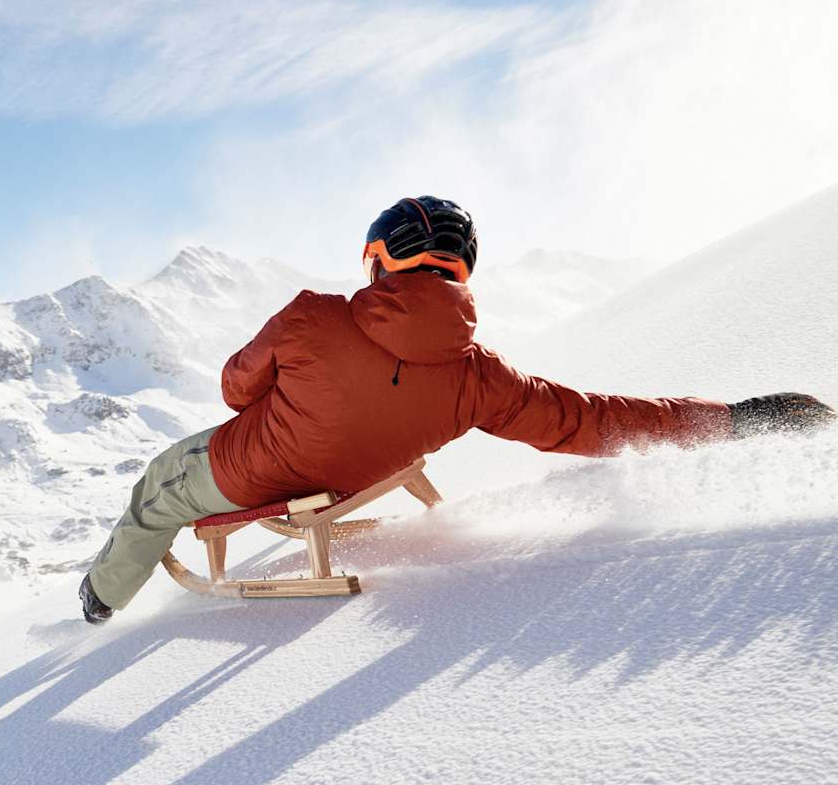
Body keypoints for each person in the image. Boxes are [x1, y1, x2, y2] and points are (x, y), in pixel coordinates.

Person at [79, 196, 835, 624]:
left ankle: (99, 597)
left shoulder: (312, 317)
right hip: (355, 478)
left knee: (156, 486)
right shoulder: (479, 377)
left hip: (249, 474)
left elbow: (235, 391)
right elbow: (591, 421)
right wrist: (734, 419)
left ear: (379, 261)